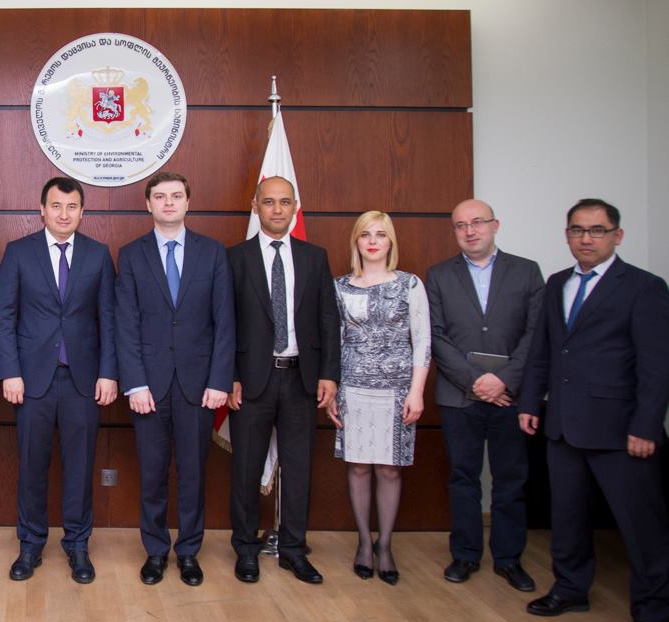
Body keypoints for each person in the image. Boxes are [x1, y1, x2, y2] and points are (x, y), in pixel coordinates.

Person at [518, 198, 669, 622]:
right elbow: (544, 350)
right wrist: (531, 402)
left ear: (617, 236)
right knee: (567, 517)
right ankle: (570, 588)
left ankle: (653, 614)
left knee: (641, 526)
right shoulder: (557, 283)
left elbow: (657, 366)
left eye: (597, 230)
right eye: (577, 230)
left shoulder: (644, 288)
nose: (586, 238)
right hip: (563, 423)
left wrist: (646, 426)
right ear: (567, 235)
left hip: (622, 430)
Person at [0, 177, 118, 584]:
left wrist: (108, 373)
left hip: (83, 381)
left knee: (80, 467)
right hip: (31, 381)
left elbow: (109, 320)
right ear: (42, 209)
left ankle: (78, 545)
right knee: (32, 465)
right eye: (56, 205)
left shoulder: (98, 255)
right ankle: (30, 544)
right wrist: (10, 372)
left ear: (83, 212)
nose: (64, 214)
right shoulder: (18, 252)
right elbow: (3, 317)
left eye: (72, 206)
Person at [116, 171, 233, 586]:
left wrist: (219, 381)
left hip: (198, 387)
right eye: (161, 196)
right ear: (148, 204)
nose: (169, 203)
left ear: (188, 202)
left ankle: (188, 552)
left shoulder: (212, 253)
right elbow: (125, 324)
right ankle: (155, 551)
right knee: (152, 473)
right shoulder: (131, 255)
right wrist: (134, 383)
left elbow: (225, 322)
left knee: (193, 473)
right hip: (148, 386)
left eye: (176, 196)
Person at [227, 175, 339, 585]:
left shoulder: (315, 258)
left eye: (285, 202)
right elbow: (224, 323)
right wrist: (229, 376)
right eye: (269, 201)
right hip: (251, 381)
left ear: (295, 207)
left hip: (301, 380)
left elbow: (328, 320)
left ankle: (293, 549)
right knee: (245, 469)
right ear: (255, 206)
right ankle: (246, 549)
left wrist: (329, 374)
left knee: (298, 468)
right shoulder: (234, 258)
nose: (277, 209)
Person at [426, 199, 543, 591]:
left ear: (495, 225)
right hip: (460, 396)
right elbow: (436, 335)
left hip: (510, 397)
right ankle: (465, 554)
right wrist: (475, 381)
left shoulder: (527, 271)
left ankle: (509, 559)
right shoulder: (439, 275)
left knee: (511, 479)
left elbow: (536, 333)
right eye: (460, 225)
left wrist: (503, 381)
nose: (469, 231)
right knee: (463, 477)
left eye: (477, 222)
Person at [328, 211, 430, 585]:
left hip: (397, 390)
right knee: (357, 467)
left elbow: (422, 341)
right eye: (366, 235)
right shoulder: (341, 286)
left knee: (389, 469)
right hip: (353, 388)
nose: (373, 241)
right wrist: (333, 390)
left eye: (380, 235)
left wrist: (417, 391)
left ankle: (385, 545)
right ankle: (363, 543)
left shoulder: (409, 284)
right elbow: (336, 342)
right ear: (356, 241)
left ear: (390, 242)